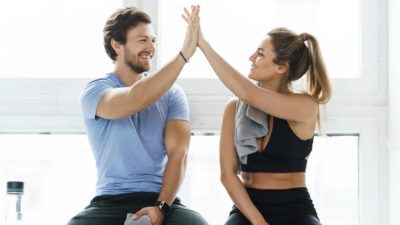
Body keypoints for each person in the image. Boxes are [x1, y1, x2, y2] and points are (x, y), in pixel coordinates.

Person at [183, 5, 331, 225]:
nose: (251, 57)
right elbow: (227, 175)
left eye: (260, 54)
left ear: (281, 68)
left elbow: (249, 92)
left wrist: (203, 45)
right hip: (247, 207)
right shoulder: (234, 108)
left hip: (296, 208)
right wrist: (258, 221)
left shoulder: (305, 106)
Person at [67, 6, 208, 225]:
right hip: (109, 200)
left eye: (154, 40)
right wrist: (183, 55)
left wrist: (161, 207)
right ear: (117, 44)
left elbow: (178, 154)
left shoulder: (172, 93)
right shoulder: (95, 91)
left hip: (160, 199)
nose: (151, 47)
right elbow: (134, 100)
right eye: (142, 40)